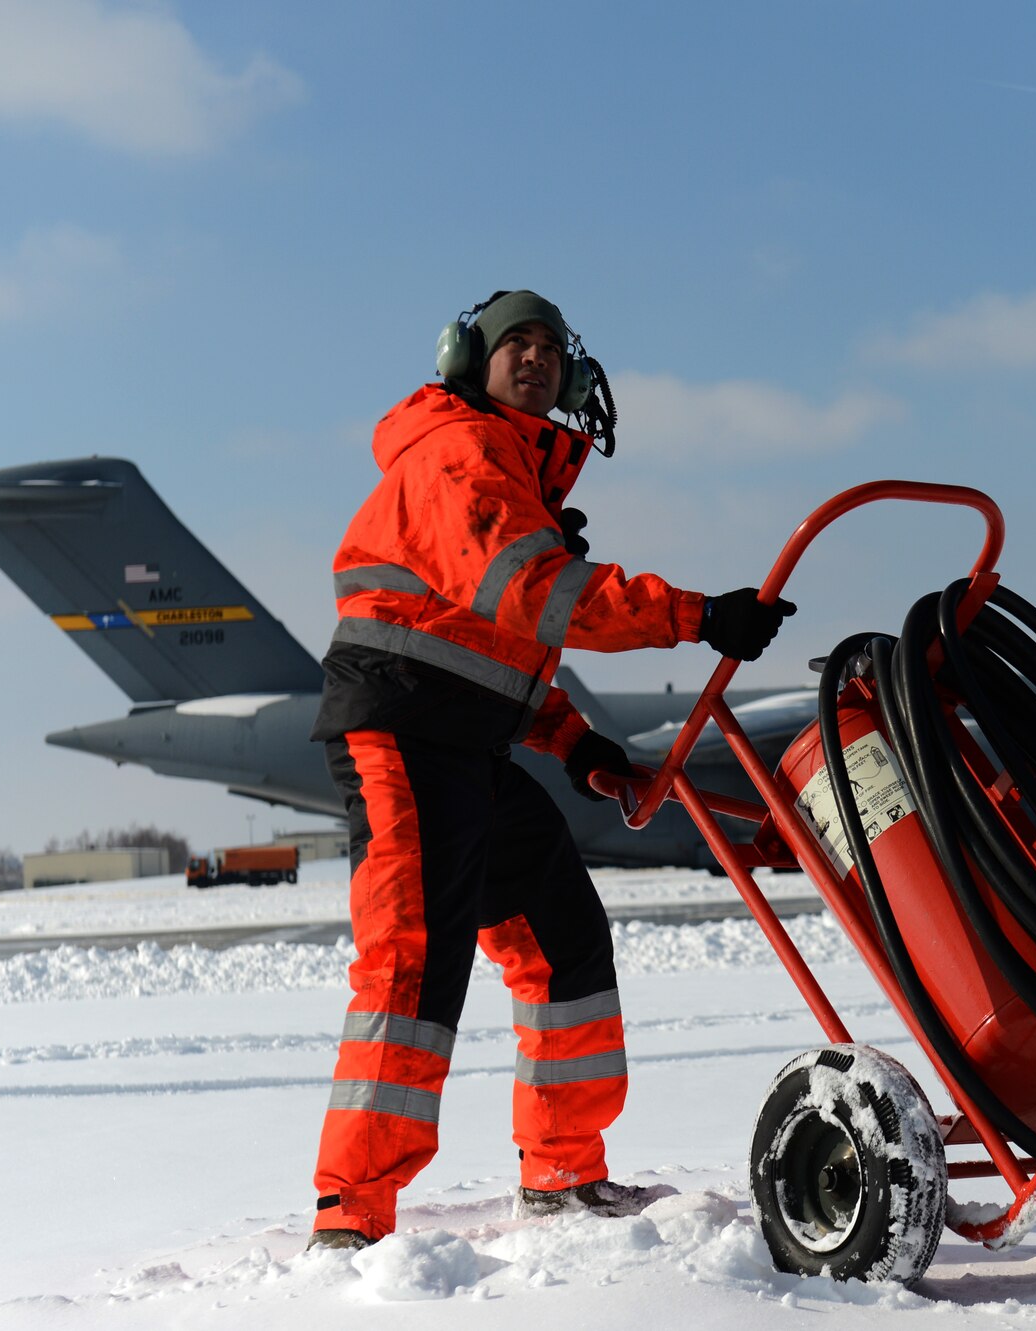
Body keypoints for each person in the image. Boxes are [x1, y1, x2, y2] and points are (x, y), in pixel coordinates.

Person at [306, 290, 794, 1250]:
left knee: (564, 939)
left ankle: (563, 1172)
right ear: (467, 361)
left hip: (472, 741)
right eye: (514, 343)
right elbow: (541, 597)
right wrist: (698, 616)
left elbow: (487, 644)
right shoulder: (459, 453)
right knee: (411, 964)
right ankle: (351, 1217)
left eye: (549, 347)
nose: (534, 358)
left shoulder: (510, 472)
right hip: (402, 731)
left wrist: (575, 743)